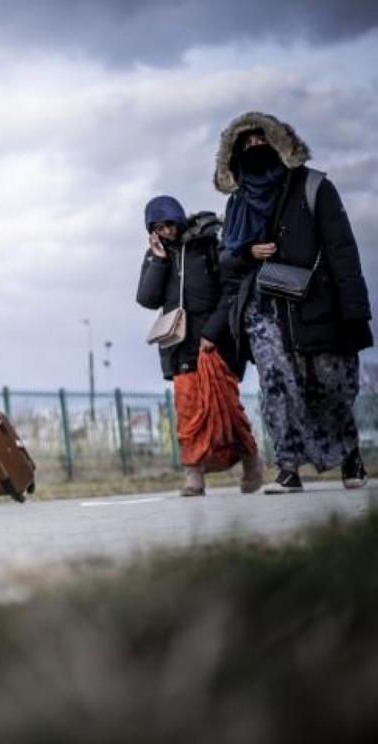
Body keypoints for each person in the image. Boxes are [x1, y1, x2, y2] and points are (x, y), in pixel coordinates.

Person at [215, 111, 372, 493]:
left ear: (280, 145)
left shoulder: (314, 187)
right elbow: (225, 260)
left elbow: (342, 252)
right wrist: (248, 253)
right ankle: (288, 467)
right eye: (245, 144)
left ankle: (349, 458)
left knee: (330, 385)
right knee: (276, 387)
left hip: (317, 305)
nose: (254, 149)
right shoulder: (238, 204)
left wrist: (355, 314)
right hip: (264, 311)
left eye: (261, 141)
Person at [136, 195, 262, 496]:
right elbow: (147, 299)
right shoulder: (157, 253)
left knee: (227, 408)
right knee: (188, 409)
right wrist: (158, 260)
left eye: (168, 224)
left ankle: (251, 459)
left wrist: (213, 331)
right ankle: (194, 474)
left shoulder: (209, 243)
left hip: (216, 341)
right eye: (157, 227)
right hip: (180, 345)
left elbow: (231, 290)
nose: (165, 231)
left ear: (178, 218)